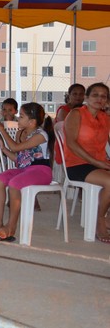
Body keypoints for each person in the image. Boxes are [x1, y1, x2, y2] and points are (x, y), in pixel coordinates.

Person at [0, 103, 54, 242]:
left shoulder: (41, 135)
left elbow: (15, 148)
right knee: (0, 178)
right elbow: (18, 159)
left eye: (21, 116)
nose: (18, 119)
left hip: (41, 171)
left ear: (32, 122)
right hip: (24, 169)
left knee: (14, 183)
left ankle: (11, 227)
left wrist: (3, 131)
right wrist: (3, 149)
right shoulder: (20, 133)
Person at [63, 82, 110, 243]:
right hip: (78, 164)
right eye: (95, 95)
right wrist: (98, 162)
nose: (100, 98)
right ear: (86, 97)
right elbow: (71, 144)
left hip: (98, 163)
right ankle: (100, 220)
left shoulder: (105, 117)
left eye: (104, 96)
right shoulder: (76, 114)